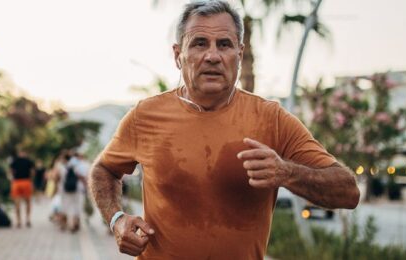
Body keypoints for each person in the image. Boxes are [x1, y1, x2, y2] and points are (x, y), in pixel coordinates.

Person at [89, 1, 360, 258]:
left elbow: (348, 192)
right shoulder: (144, 116)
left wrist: (286, 172)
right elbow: (104, 170)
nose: (213, 56)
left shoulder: (271, 118)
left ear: (240, 55)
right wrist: (117, 219)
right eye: (199, 43)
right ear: (177, 55)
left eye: (224, 44)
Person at [56, 152, 88, 232]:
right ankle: (75, 224)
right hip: (77, 189)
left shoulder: (62, 167)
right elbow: (83, 177)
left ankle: (63, 224)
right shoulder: (77, 166)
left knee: (64, 206)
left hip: (65, 190)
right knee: (76, 206)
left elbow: (57, 178)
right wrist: (86, 187)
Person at [8, 149, 36, 228]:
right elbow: (33, 172)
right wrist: (31, 179)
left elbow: (10, 171)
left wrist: (12, 179)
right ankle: (27, 220)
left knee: (17, 202)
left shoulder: (14, 161)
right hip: (26, 182)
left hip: (16, 182)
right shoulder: (29, 161)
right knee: (28, 201)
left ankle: (19, 221)